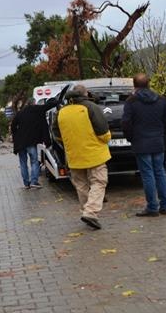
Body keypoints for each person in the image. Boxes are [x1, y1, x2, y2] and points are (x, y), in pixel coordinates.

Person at [52, 85, 111, 230]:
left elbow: (56, 134)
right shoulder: (91, 107)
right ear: (85, 94)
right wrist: (107, 139)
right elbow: (103, 132)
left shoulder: (61, 112)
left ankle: (87, 211)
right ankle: (91, 212)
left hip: (73, 156)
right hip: (94, 154)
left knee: (81, 185)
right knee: (99, 181)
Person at [122, 73, 166, 217]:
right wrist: (160, 133)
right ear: (149, 83)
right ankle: (165, 205)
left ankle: (152, 207)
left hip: (141, 142)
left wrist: (131, 138)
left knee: (148, 175)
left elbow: (126, 123)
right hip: (158, 142)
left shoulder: (131, 102)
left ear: (134, 85)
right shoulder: (161, 100)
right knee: (160, 172)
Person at [11, 98, 58, 189]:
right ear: (34, 103)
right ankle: (34, 182)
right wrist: (59, 101)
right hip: (30, 142)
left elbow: (13, 127)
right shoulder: (37, 109)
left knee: (23, 163)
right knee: (34, 161)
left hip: (20, 144)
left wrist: (17, 135)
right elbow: (49, 105)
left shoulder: (20, 113)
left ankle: (26, 184)